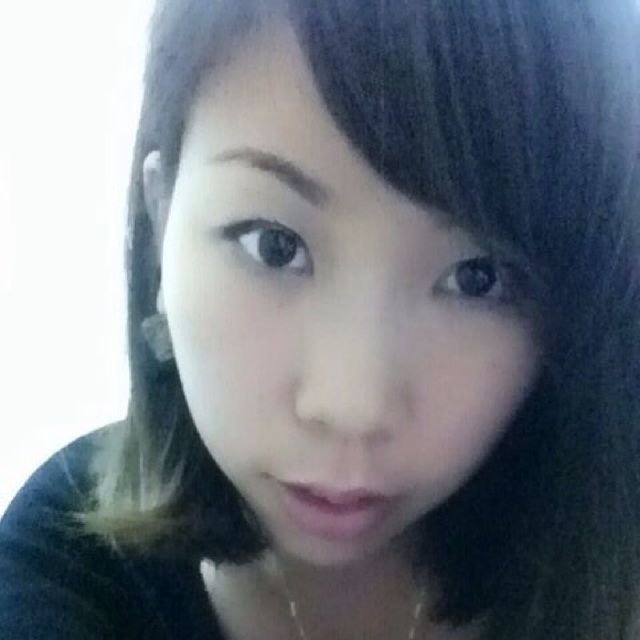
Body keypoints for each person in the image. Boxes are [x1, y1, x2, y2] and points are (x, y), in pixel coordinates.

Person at [2, 0, 639, 638]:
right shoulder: (68, 561)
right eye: (274, 245)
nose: (353, 407)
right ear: (162, 220)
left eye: (478, 278)